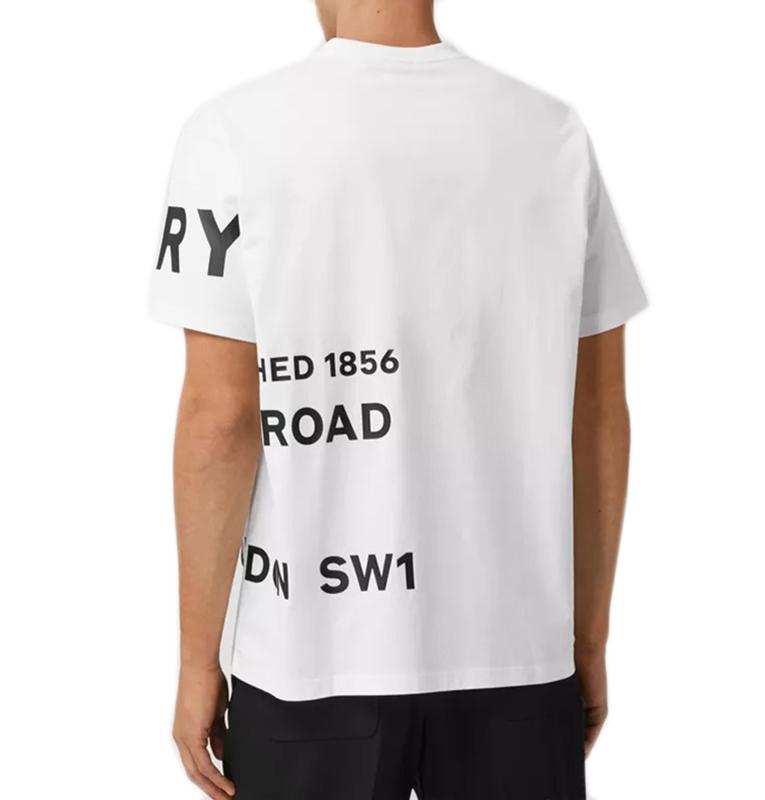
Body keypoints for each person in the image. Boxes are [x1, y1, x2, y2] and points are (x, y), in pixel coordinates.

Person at [148, 0, 647, 797]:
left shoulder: (232, 134)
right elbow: (596, 412)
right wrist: (587, 639)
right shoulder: (551, 133)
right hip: (516, 655)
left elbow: (222, 419)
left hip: (312, 658)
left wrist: (196, 659)